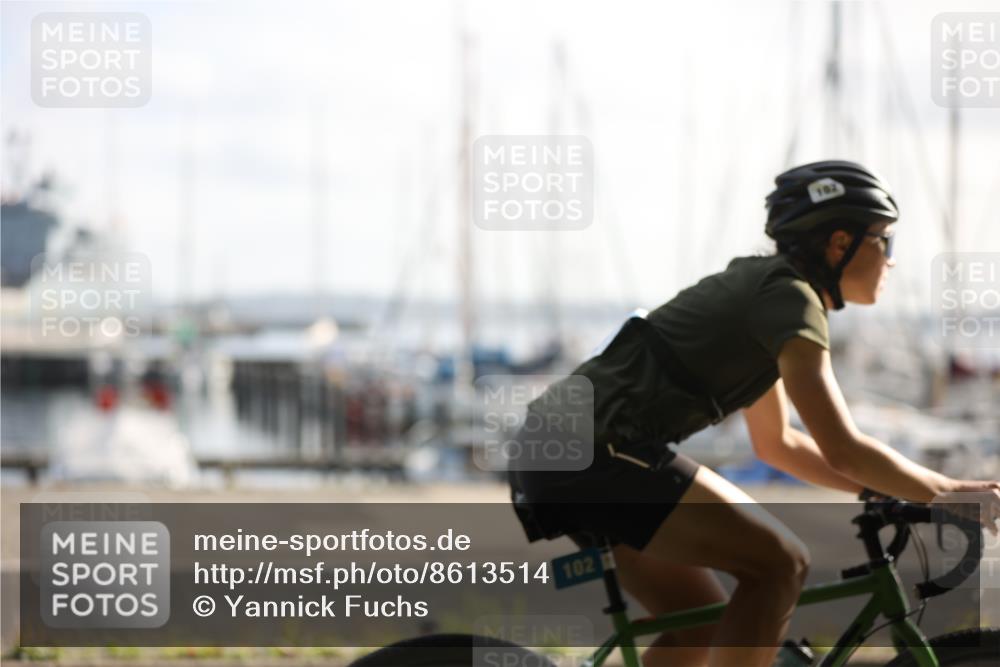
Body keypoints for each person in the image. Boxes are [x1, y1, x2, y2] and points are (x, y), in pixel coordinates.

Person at [507, 160, 1000, 667]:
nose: (892, 261)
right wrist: (946, 491)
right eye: (885, 241)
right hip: (596, 451)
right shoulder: (790, 299)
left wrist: (882, 489)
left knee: (701, 627)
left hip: (562, 450)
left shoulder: (767, 291)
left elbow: (778, 444)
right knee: (780, 564)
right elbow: (844, 448)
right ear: (840, 243)